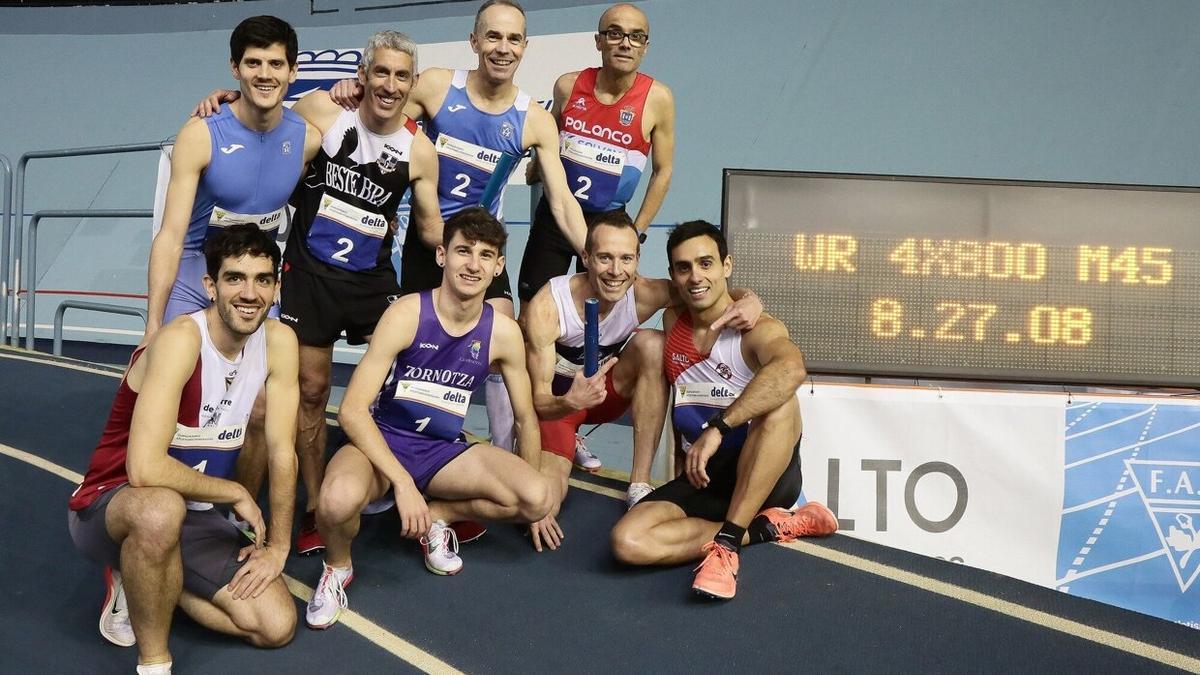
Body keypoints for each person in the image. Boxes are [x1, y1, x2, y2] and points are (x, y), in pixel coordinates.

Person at [194, 31, 444, 556]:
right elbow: (261, 120)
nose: (390, 85)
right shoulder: (323, 113)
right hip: (310, 276)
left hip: (372, 283)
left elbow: (429, 229)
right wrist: (224, 98)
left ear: (412, 84)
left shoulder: (420, 151)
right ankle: (313, 503)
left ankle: (404, 485)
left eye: (401, 76)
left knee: (408, 379)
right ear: (363, 75)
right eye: (380, 72)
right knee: (310, 392)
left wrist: (476, 258)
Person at [327, 0, 590, 454]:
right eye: (492, 36)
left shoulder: (533, 120)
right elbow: (378, 116)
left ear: (525, 47)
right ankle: (394, 435)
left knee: (505, 335)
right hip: (428, 242)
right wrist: (346, 89)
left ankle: (499, 451)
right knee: (411, 345)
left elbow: (563, 201)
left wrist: (595, 257)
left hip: (482, 247)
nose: (502, 48)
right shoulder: (435, 86)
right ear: (474, 41)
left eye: (512, 39)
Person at [68, 224, 301, 674]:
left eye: (262, 279)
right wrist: (233, 492)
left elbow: (281, 452)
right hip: (112, 502)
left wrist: (278, 547)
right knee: (159, 511)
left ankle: (144, 579)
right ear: (210, 285)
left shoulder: (280, 342)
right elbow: (144, 467)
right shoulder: (180, 342)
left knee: (275, 624)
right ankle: (154, 660)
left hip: (195, 513)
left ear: (276, 288)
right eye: (235, 278)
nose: (249, 293)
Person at [304, 207, 551, 630]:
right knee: (335, 502)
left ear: (498, 266)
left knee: (538, 497)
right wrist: (401, 483)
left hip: (442, 452)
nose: (473, 264)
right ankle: (338, 568)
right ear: (442, 256)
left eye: (485, 255)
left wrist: (534, 512)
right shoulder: (406, 314)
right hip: (384, 440)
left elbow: (526, 420)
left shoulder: (504, 333)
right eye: (463, 251)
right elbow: (351, 409)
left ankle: (438, 516)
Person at [609, 220, 838, 601]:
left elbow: (791, 369)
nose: (695, 276)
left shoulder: (756, 330)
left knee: (780, 401)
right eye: (684, 267)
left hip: (762, 476)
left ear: (726, 266)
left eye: (706, 263)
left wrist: (719, 426)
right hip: (706, 478)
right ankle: (766, 529)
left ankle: (728, 545)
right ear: (673, 275)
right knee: (627, 542)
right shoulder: (672, 318)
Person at [519, 212, 761, 551]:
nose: (616, 271)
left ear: (636, 260)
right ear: (586, 258)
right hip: (560, 407)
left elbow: (705, 290)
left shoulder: (644, 293)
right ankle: (556, 454)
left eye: (625, 259)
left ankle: (639, 484)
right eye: (604, 258)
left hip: (607, 394)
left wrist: (750, 299)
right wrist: (568, 404)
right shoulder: (548, 307)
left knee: (651, 343)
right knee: (544, 502)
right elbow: (539, 403)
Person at [517, 2, 675, 302]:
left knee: (600, 313)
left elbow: (663, 170)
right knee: (532, 307)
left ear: (645, 46)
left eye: (636, 36)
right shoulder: (568, 85)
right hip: (555, 215)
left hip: (610, 221)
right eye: (615, 34)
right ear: (599, 41)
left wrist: (636, 232)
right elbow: (549, 135)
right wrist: (537, 165)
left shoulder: (658, 99)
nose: (625, 43)